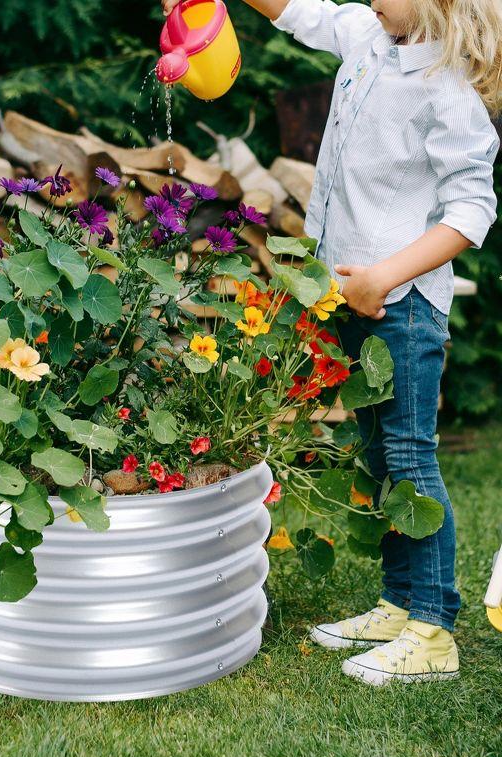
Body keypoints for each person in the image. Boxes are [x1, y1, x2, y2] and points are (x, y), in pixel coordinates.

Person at [161, 0, 500, 684]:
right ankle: (399, 601)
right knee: (378, 454)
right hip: (353, 292)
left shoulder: (449, 87)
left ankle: (434, 629)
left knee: (409, 455)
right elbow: (298, 11)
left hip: (401, 303)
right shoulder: (369, 37)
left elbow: (472, 209)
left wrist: (384, 277)